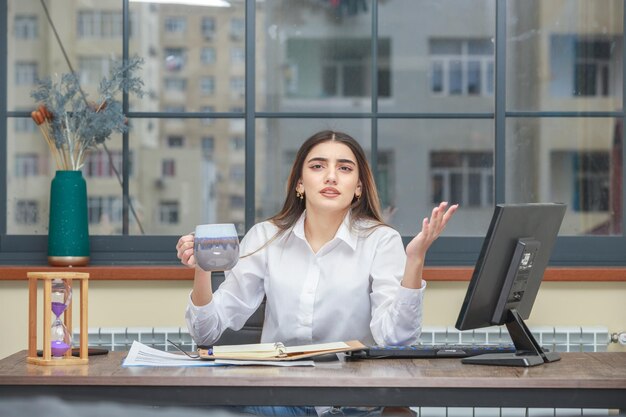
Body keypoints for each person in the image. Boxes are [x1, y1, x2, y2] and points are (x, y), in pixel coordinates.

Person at [176, 130, 458, 416]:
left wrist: (415, 260)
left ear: (358, 187)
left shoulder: (381, 241)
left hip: (352, 403)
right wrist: (202, 268)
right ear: (300, 182)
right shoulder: (265, 236)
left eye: (344, 168)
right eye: (318, 166)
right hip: (278, 398)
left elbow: (396, 340)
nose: (331, 177)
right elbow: (207, 333)